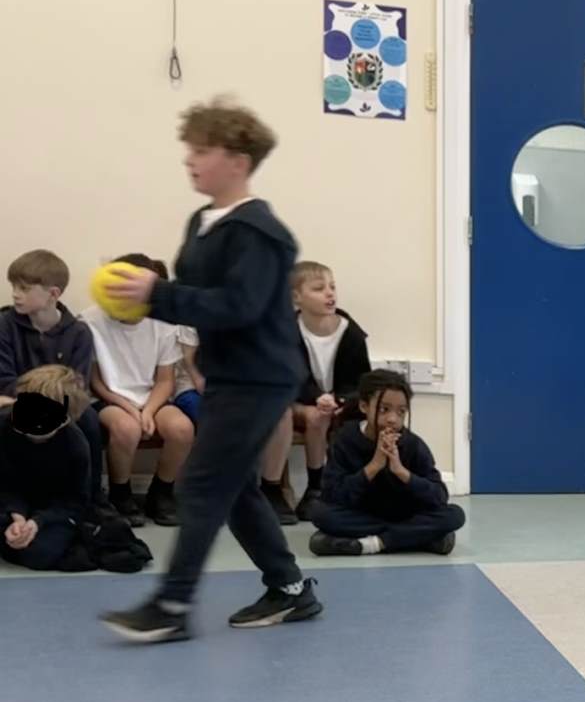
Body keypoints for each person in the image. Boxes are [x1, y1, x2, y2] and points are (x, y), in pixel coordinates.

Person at [99, 99, 321, 644]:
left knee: (201, 482)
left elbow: (239, 305)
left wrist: (157, 294)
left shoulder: (261, 232)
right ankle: (290, 588)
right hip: (227, 375)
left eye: (202, 151)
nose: (190, 160)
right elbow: (198, 297)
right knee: (234, 487)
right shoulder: (202, 223)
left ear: (237, 162)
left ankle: (171, 605)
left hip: (261, 378)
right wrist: (148, 297)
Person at [83, 253, 195, 527]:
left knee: (182, 429)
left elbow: (165, 380)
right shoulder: (89, 321)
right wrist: (130, 409)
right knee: (127, 429)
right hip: (109, 398)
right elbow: (96, 382)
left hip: (152, 397)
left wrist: (148, 410)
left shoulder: (163, 322)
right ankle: (121, 494)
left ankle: (162, 492)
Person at [309, 370, 466, 556]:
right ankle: (419, 537)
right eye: (384, 409)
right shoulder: (345, 440)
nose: (393, 419)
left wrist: (402, 472)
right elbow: (333, 495)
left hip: (403, 513)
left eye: (401, 412)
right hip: (362, 513)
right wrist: (373, 467)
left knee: (454, 514)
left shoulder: (413, 444)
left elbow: (439, 497)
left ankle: (374, 543)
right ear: (364, 406)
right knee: (319, 512)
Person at [266, 261, 372, 523]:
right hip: (294, 399)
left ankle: (316, 488)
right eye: (318, 288)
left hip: (333, 405)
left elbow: (361, 380)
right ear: (296, 297)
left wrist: (340, 399)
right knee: (289, 413)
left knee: (319, 417)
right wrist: (316, 396)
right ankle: (270, 489)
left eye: (332, 287)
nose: (329, 293)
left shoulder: (351, 333)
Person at [2, 249, 102, 510]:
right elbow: (4, 380)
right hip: (13, 402)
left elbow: (78, 386)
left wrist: (48, 402)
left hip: (62, 405)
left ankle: (92, 500)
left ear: (53, 294)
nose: (15, 294)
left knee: (89, 419)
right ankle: (10, 502)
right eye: (14, 286)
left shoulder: (79, 332)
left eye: (24, 288)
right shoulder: (4, 326)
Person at [0, 370, 92, 572]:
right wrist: (16, 514)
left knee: (41, 554)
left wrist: (37, 522)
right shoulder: (4, 425)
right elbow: (4, 483)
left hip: (50, 508)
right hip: (9, 503)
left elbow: (75, 501)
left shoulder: (75, 447)